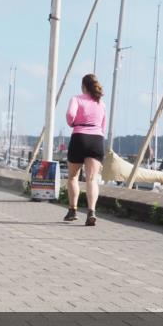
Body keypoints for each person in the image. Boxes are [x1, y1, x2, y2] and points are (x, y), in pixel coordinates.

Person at [63, 74, 107, 226]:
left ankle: (72, 210)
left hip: (79, 137)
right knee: (91, 179)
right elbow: (103, 125)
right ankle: (91, 212)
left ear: (83, 86)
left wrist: (72, 123)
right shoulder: (101, 103)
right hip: (97, 140)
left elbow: (70, 115)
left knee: (73, 177)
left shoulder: (76, 99)